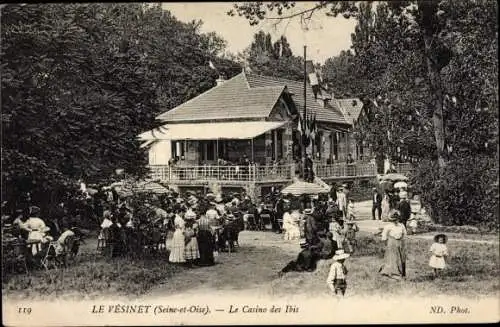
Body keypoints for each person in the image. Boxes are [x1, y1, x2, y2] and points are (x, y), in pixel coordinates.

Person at [379, 211, 407, 280]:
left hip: (400, 242)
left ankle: (401, 272)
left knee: (401, 257)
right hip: (391, 242)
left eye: (397, 219)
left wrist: (403, 241)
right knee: (392, 257)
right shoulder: (388, 226)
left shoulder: (401, 225)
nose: (395, 221)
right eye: (394, 220)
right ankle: (393, 272)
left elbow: (404, 234)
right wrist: (385, 243)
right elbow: (384, 236)